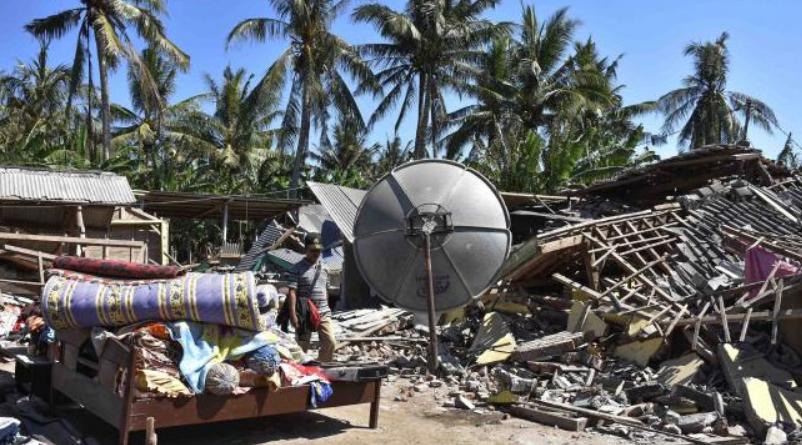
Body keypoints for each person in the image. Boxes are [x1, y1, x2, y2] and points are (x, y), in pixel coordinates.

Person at [286, 237, 337, 362]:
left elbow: (326, 290)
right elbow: (292, 292)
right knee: (302, 347)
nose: (316, 253)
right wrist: (293, 315)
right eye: (312, 250)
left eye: (318, 250)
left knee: (330, 342)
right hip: (305, 313)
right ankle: (300, 371)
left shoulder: (325, 267)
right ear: (306, 250)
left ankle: (322, 367)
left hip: (323, 312)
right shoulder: (296, 268)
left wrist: (328, 307)